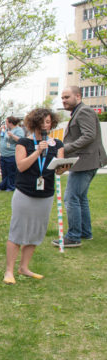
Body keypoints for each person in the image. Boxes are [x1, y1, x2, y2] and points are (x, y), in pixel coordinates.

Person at [4, 108, 70, 284]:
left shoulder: (58, 144)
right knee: (17, 231)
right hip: (25, 192)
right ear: (34, 123)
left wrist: (63, 168)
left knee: (36, 232)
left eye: (48, 122)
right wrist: (37, 152)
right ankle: (9, 271)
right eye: (42, 122)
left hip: (46, 194)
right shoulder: (24, 143)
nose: (45, 125)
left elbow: (59, 170)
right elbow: (21, 166)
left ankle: (24, 267)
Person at [52, 86, 107, 248]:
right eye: (62, 98)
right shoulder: (79, 111)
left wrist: (64, 149)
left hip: (85, 161)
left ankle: (74, 236)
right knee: (80, 198)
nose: (64, 100)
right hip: (86, 161)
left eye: (67, 97)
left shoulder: (83, 111)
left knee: (71, 198)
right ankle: (84, 232)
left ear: (78, 96)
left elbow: (89, 136)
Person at [0, 116, 24, 192]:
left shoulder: (18, 130)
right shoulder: (6, 130)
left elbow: (21, 140)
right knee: (4, 172)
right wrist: (0, 131)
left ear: (10, 123)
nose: (5, 123)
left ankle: (11, 186)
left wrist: (12, 135)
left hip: (11, 155)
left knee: (11, 172)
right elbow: (0, 138)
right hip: (3, 155)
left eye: (6, 122)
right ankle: (3, 186)